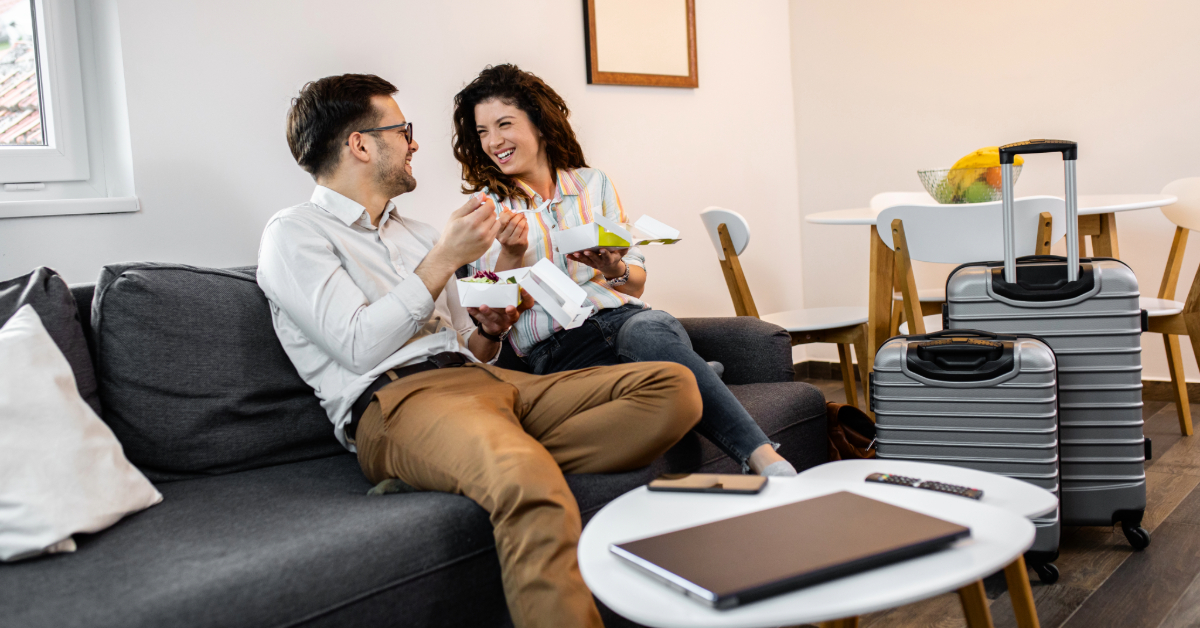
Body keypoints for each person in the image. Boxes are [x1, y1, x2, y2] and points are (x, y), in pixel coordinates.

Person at [257, 73, 703, 628]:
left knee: (672, 389)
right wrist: (445, 258)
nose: (415, 143)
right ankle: (488, 466)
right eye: (403, 130)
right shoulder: (295, 234)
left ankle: (450, 468)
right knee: (528, 484)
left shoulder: (416, 233)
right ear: (361, 144)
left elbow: (477, 346)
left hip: (484, 383)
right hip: (398, 403)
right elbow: (356, 344)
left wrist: (492, 324)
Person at [452, 64, 796, 477]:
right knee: (652, 373)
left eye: (504, 124)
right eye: (483, 131)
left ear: (540, 125)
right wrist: (512, 253)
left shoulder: (593, 184)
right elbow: (490, 328)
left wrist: (612, 265)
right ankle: (689, 372)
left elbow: (634, 281)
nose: (493, 141)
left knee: (650, 328)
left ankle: (765, 458)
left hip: (623, 318)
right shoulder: (483, 212)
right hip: (557, 349)